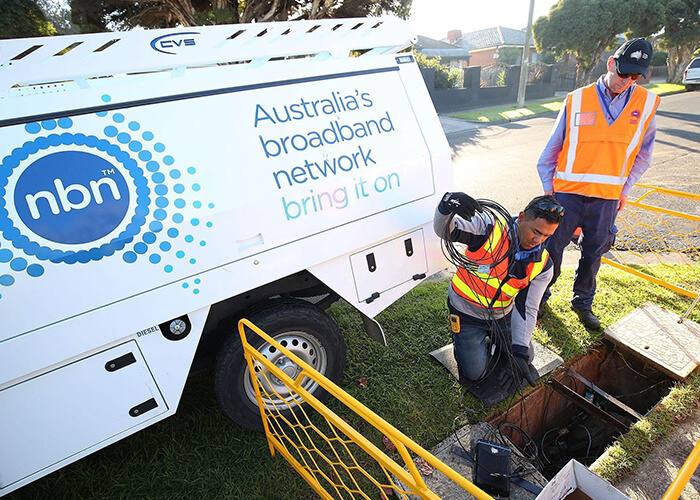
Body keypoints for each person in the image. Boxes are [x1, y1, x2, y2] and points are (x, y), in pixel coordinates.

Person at [537, 38, 660, 330]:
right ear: (610, 64)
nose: (626, 81)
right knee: (552, 248)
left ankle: (582, 303)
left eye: (634, 76)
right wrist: (548, 187)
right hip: (567, 194)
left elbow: (643, 155)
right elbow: (552, 149)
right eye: (622, 73)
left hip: (606, 197)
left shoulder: (646, 104)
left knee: (594, 253)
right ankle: (539, 297)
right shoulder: (577, 99)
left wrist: (624, 190)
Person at [434, 192, 563, 392]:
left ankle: (497, 340)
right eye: (536, 231)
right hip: (465, 312)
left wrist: (519, 354)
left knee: (527, 356)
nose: (538, 239)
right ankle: (465, 339)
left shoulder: (543, 265)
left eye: (547, 236)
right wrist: (445, 207)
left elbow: (527, 307)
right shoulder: (488, 228)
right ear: (521, 218)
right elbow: (445, 231)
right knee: (474, 373)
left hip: (502, 316)